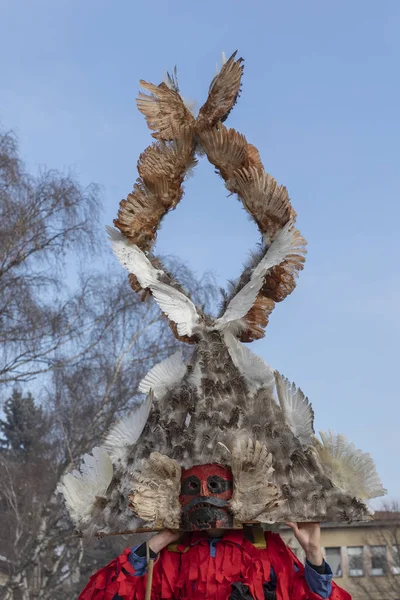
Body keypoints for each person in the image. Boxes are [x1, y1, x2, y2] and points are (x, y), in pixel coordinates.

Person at [78, 522, 350, 599]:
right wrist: (158, 542)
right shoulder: (175, 553)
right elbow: (106, 594)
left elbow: (308, 596)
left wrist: (314, 554)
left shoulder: (267, 548)